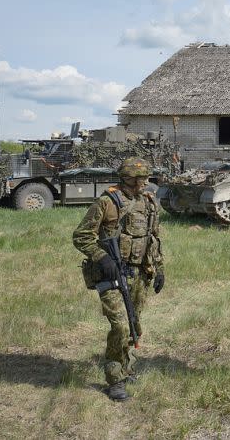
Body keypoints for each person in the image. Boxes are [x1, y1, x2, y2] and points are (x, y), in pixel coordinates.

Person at [73, 157, 165, 401]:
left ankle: (127, 366)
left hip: (139, 275)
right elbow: (82, 236)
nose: (140, 183)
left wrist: (159, 268)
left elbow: (153, 237)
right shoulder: (107, 202)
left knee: (134, 325)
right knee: (120, 326)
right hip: (111, 275)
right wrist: (103, 258)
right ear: (124, 178)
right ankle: (115, 378)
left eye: (144, 178)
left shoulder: (149, 203)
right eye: (135, 179)